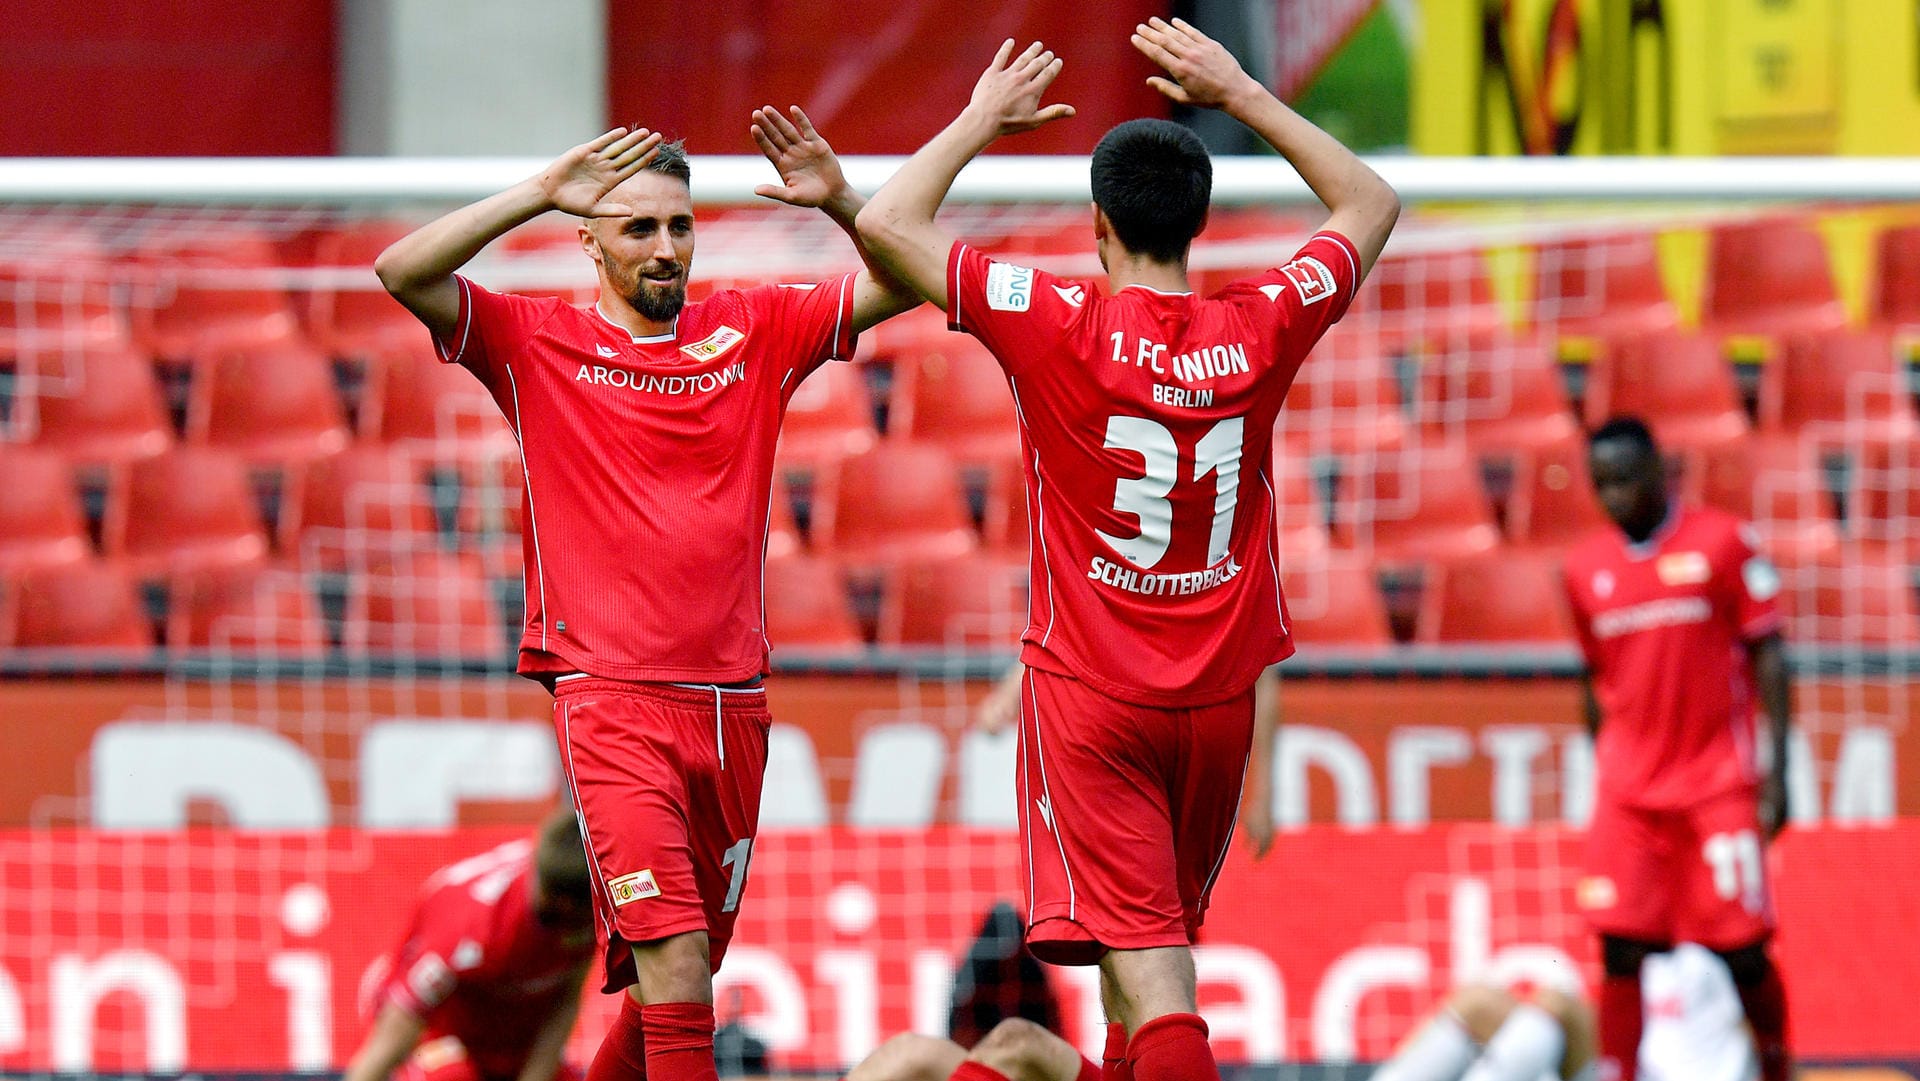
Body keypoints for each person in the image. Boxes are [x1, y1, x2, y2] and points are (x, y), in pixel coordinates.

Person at [856, 19, 1399, 1081]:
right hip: (1215, 710)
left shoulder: (1055, 319)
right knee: (1095, 1008)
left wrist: (981, 118)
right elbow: (1372, 201)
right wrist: (1241, 93)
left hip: (1097, 702)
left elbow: (885, 219)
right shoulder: (1263, 323)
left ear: (1096, 225)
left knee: (1155, 981)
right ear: (1201, 225)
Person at [374, 108, 921, 1081]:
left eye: (678, 226)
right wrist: (540, 191)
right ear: (588, 239)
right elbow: (404, 270)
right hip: (610, 699)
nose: (665, 247)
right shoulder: (534, 344)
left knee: (689, 976)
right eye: (637, 228)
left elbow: (911, 275)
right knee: (673, 966)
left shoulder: (751, 329)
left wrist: (839, 198)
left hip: (733, 708)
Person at [1559, 417, 1792, 1081]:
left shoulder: (1723, 543)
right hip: (1631, 793)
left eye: (1626, 479)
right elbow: (1593, 677)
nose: (1614, 496)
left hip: (1715, 783)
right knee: (1622, 947)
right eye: (1602, 483)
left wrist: (1778, 775)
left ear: (1660, 471)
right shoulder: (1585, 569)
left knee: (1743, 950)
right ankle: (1620, 1072)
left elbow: (1768, 655)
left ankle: (1776, 1062)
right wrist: (1602, 767)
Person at [346, 810, 598, 1081]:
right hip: (436, 1034)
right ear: (566, 906)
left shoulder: (586, 892)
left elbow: (565, 999)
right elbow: (391, 1040)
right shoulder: (471, 933)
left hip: (505, 1039)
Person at [976, 664, 1282, 858]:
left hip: (1193, 763)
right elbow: (1060, 632)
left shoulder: (1221, 573)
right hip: (1117, 760)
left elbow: (1262, 673)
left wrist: (1264, 795)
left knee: (1165, 915)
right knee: (1133, 915)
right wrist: (1008, 694)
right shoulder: (1111, 567)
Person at [1370, 944, 1758, 1081]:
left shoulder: (1726, 963)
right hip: (1628, 1069)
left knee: (1559, 1005)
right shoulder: (1655, 951)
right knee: (1479, 1002)